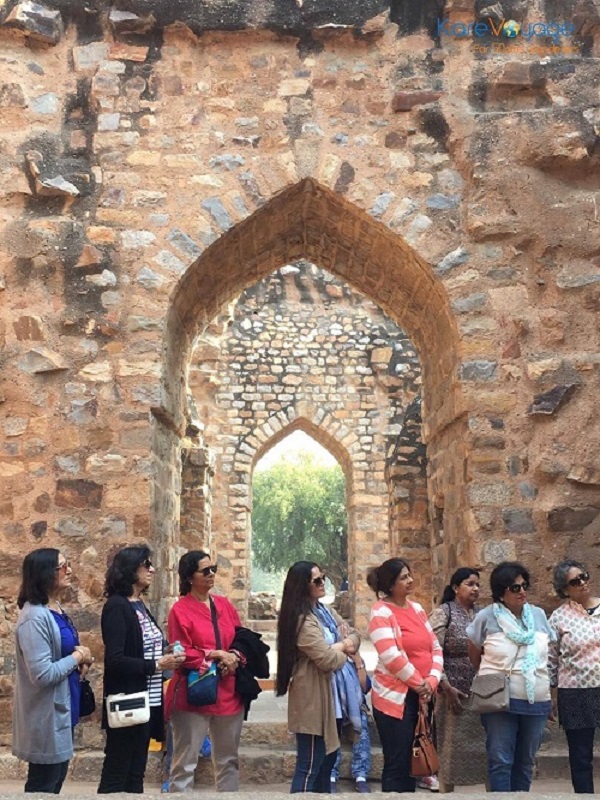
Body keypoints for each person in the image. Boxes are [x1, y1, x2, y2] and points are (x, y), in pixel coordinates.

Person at [98, 545, 185, 794]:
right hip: (128, 700)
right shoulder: (117, 606)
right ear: (129, 569)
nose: (152, 570)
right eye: (146, 564)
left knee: (137, 771)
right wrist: (157, 664)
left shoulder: (138, 604)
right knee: (118, 770)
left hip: (147, 700)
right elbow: (115, 660)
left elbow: (141, 646)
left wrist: (165, 651)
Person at [466, 561, 555, 792]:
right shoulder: (486, 617)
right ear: (501, 592)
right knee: (501, 760)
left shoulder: (538, 615)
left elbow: (548, 656)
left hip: (536, 700)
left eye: (524, 586)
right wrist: (489, 678)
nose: (522, 591)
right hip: (499, 701)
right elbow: (474, 652)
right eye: (515, 588)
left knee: (526, 762)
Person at [12, 548, 93, 793]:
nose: (69, 570)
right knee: (43, 787)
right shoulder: (34, 618)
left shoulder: (55, 608)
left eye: (68, 564)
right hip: (46, 717)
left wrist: (80, 658)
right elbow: (43, 674)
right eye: (62, 566)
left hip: (63, 710)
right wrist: (77, 656)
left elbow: (62, 651)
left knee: (54, 783)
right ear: (44, 573)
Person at [275, 561, 361, 793]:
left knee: (327, 762)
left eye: (323, 577)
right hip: (313, 699)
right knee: (310, 763)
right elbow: (327, 659)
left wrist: (341, 644)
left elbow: (355, 634)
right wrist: (343, 646)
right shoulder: (301, 619)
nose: (323, 583)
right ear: (303, 585)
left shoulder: (324, 611)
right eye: (317, 580)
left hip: (333, 697)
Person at [165, 550, 245, 793]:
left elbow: (241, 637)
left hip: (228, 692)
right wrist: (213, 654)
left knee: (228, 760)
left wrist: (234, 656)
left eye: (213, 569)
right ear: (190, 577)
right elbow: (180, 650)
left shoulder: (224, 605)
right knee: (185, 762)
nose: (211, 574)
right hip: (194, 692)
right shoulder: (180, 611)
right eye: (205, 571)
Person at [367, 558, 443, 794]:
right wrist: (420, 684)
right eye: (403, 577)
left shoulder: (417, 609)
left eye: (409, 575)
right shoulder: (380, 612)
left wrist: (432, 681)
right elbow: (392, 657)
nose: (410, 580)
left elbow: (435, 647)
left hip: (421, 696)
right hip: (395, 699)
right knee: (397, 763)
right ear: (390, 585)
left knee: (414, 762)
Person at [428, 567, 487, 793]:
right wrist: (445, 685)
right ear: (455, 588)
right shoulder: (444, 613)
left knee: (486, 749)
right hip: (452, 692)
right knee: (450, 748)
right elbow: (432, 651)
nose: (475, 589)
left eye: (478, 585)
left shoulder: (483, 614)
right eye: (470, 584)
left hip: (481, 692)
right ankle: (446, 793)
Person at [548, 559, 600, 793]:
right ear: (564, 589)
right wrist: (550, 695)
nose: (583, 583)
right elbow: (551, 659)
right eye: (575, 581)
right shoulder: (559, 618)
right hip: (575, 692)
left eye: (584, 576)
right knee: (581, 755)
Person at [330, 650, 372, 794]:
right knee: (331, 728)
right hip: (333, 706)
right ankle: (331, 775)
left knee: (362, 727)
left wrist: (358, 662)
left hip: (355, 707)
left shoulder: (354, 661)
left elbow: (365, 687)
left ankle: (361, 776)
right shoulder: (329, 658)